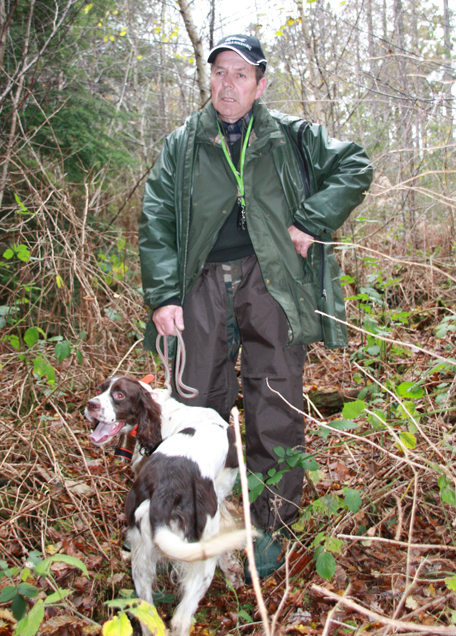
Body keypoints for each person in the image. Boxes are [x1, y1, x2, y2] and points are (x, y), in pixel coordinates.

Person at [138, 33, 373, 580]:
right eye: (220, 72)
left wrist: (313, 219)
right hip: (197, 287)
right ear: (210, 79)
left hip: (271, 282)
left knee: (275, 404)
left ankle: (266, 531)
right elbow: (155, 219)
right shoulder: (183, 143)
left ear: (260, 85)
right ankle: (192, 533)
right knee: (197, 412)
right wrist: (164, 295)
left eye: (242, 74)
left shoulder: (291, 136)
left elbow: (355, 165)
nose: (229, 83)